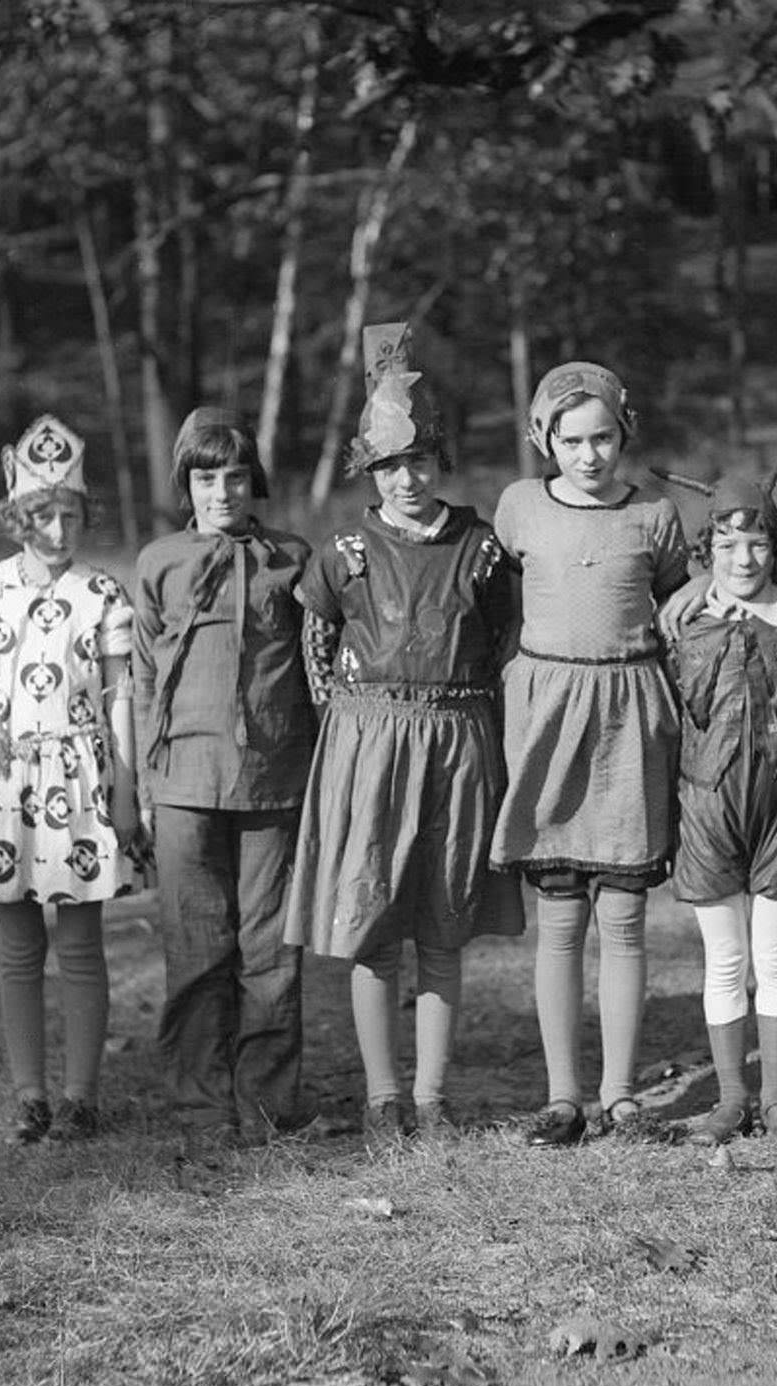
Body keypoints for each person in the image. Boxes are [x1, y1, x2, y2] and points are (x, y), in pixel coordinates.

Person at [284, 322, 525, 1143]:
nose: (408, 479)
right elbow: (314, 638)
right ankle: (381, 1094)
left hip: (457, 740)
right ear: (370, 471)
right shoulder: (345, 552)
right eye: (391, 465)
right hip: (368, 743)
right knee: (373, 917)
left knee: (443, 919)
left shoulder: (481, 548)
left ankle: (431, 1093)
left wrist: (470, 712)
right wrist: (347, 724)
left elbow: (504, 639)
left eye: (420, 461)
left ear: (440, 461)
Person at [0, 414, 145, 1145]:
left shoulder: (103, 592)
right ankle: (30, 1094)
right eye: (42, 515)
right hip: (3, 780)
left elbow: (121, 694)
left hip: (76, 781)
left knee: (80, 944)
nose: (57, 530)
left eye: (71, 515)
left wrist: (125, 785)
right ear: (17, 516)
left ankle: (81, 1094)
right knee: (19, 947)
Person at [490, 360, 691, 1146]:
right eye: (571, 440)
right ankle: (564, 1094)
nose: (589, 455)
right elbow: (496, 596)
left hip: (629, 716)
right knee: (562, 914)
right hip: (547, 715)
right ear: (546, 439)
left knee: (626, 912)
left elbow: (680, 593)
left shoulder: (654, 515)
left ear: (624, 431)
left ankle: (622, 1093)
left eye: (602, 436)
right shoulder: (518, 509)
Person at [133, 407, 318, 1151]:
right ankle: (201, 1103)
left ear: (255, 481)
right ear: (186, 483)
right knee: (196, 945)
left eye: (235, 476)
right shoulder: (159, 562)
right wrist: (145, 778)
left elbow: (317, 667)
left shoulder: (293, 558)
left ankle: (269, 1101)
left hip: (272, 776)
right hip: (183, 779)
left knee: (270, 949)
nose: (222, 492)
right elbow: (145, 673)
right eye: (206, 478)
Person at [665, 474, 777, 1148]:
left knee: (776, 956)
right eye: (727, 544)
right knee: (725, 959)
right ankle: (731, 1097)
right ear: (708, 551)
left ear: (775, 547)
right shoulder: (681, 621)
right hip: (708, 805)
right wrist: (684, 588)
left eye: (757, 542)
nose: (744, 558)